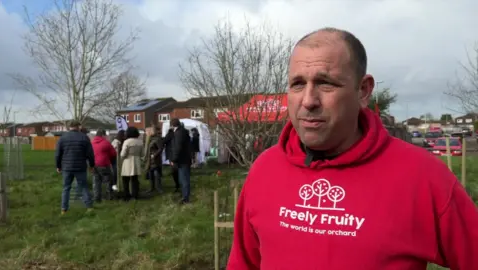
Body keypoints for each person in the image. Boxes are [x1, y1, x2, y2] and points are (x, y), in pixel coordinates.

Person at [227, 28, 478, 269]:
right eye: (298, 84)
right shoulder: (265, 169)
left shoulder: (423, 176)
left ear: (363, 91)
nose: (308, 100)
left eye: (326, 83)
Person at [55, 120, 94, 214]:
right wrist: (92, 165)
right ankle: (89, 207)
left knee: (66, 188)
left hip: (67, 167)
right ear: (78, 126)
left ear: (69, 127)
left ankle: (64, 209)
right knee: (83, 186)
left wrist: (58, 166)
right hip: (80, 167)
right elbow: (90, 154)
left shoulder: (62, 138)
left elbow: (58, 154)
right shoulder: (84, 137)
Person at [170, 119, 192, 204]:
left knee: (184, 179)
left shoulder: (179, 133)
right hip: (185, 159)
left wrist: (173, 159)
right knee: (183, 179)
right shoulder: (183, 131)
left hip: (182, 160)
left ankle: (186, 198)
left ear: (172, 125)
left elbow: (177, 147)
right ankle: (185, 196)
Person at [91, 129, 116, 202]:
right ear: (103, 135)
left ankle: (97, 198)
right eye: (105, 135)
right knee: (108, 180)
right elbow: (113, 154)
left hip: (94, 164)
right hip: (104, 164)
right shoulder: (106, 143)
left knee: (96, 181)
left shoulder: (92, 142)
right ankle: (109, 197)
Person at [120, 127, 144, 201]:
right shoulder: (140, 142)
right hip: (136, 160)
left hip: (128, 161)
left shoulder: (127, 141)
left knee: (125, 179)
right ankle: (135, 195)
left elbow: (123, 154)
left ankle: (126, 196)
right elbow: (142, 154)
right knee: (135, 179)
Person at [144, 126, 164, 194]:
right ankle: (151, 187)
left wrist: (154, 155)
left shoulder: (157, 139)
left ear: (150, 131)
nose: (145, 133)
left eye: (147, 131)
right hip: (149, 159)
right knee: (150, 174)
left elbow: (160, 148)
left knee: (156, 174)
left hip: (155, 159)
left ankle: (158, 188)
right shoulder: (148, 139)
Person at [163, 128, 180, 192]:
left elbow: (164, 141)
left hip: (172, 155)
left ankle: (177, 185)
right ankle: (179, 184)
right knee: (178, 169)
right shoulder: (181, 133)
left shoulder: (170, 133)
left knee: (174, 170)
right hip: (179, 155)